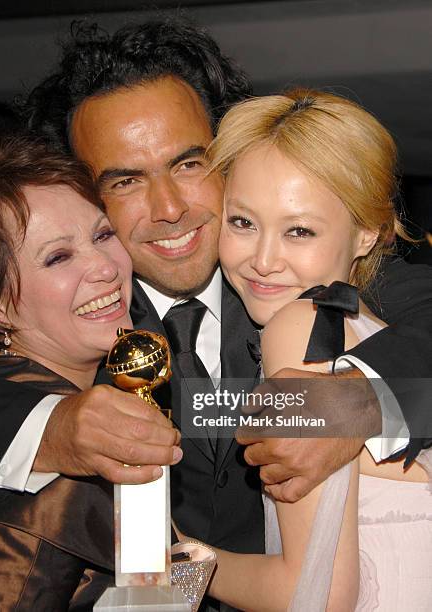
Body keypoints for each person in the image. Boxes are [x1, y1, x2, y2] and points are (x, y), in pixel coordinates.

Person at [0, 18, 432, 607]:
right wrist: (57, 428)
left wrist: (355, 404)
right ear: (83, 194)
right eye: (125, 181)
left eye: (189, 164)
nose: (169, 208)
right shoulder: (77, 317)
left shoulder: (307, 272)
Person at [197, 89, 432, 610]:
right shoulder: (367, 328)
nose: (263, 259)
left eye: (298, 230)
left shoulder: (304, 326)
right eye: (242, 222)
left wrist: (175, 563)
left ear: (368, 234)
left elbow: (317, 594)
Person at [0, 132, 137, 607]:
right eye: (58, 257)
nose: (105, 267)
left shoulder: (110, 376)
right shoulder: (50, 459)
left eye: (103, 234)